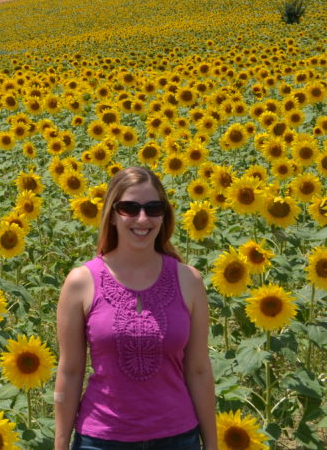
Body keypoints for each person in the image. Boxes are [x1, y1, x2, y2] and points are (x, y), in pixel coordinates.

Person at [54, 166, 217, 449]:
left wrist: (212, 444)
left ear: (164, 215)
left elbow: (199, 370)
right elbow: (70, 372)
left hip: (177, 438)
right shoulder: (82, 282)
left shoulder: (188, 280)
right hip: (101, 439)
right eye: (130, 208)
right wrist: (60, 445)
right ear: (113, 215)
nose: (143, 218)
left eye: (154, 208)